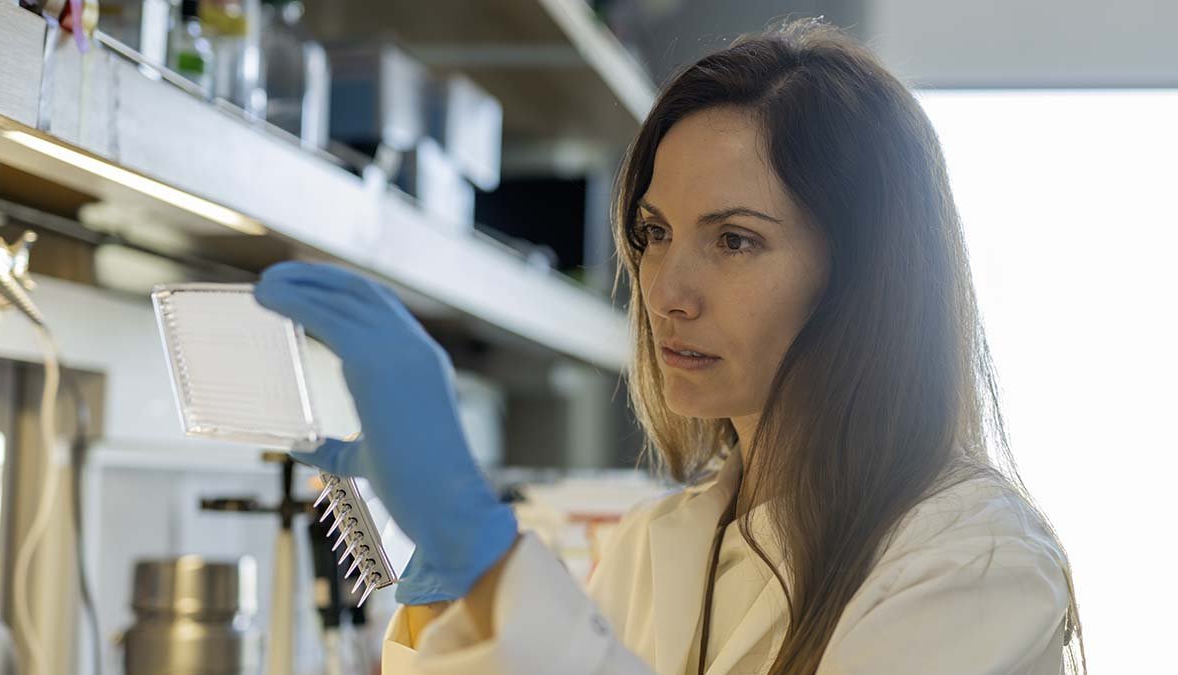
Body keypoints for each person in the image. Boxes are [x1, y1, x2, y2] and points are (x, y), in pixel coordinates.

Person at [254, 17, 1087, 675]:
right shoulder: (653, 546)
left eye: (735, 240)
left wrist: (486, 554)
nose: (665, 292)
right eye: (655, 232)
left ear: (863, 275)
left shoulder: (971, 561)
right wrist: (451, 591)